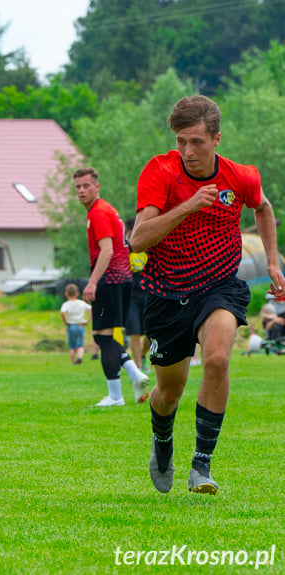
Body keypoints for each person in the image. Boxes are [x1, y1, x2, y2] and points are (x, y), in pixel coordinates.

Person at [132, 95, 285, 495]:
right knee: (169, 392)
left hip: (219, 286)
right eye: (181, 141)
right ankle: (162, 441)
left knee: (217, 358)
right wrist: (185, 207)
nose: (187, 151)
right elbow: (137, 240)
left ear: (217, 139)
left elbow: (264, 208)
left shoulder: (241, 176)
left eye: (197, 142)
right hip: (167, 292)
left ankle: (201, 465)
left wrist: (272, 262)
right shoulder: (161, 172)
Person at [74, 168, 150, 407]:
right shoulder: (107, 209)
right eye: (78, 187)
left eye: (86, 185)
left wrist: (93, 281)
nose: (81, 191)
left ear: (97, 187)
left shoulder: (98, 212)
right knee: (106, 336)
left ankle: (115, 396)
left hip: (110, 280)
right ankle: (136, 375)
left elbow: (106, 250)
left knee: (102, 337)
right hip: (123, 280)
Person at [125, 217, 151, 374]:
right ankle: (139, 368)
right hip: (131, 297)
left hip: (149, 294)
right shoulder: (124, 250)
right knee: (134, 332)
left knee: (151, 332)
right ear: (128, 232)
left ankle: (142, 354)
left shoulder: (149, 247)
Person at [60, 283, 91, 364]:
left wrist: (65, 321)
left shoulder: (66, 304)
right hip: (81, 325)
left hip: (71, 325)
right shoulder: (82, 303)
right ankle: (80, 357)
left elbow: (62, 313)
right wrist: (88, 320)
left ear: (66, 294)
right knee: (80, 344)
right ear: (77, 294)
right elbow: (91, 309)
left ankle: (73, 362)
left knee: (72, 345)